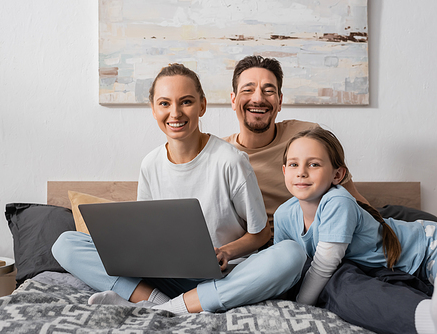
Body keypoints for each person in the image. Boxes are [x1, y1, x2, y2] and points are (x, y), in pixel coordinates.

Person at [52, 63, 306, 314]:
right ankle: (159, 301)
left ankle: (170, 308)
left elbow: (260, 235)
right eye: (164, 103)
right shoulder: (150, 164)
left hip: (226, 276)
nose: (175, 113)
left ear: (202, 106)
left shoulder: (231, 161)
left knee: (291, 254)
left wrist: (225, 251)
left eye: (186, 102)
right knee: (66, 243)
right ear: (153, 109)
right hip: (168, 277)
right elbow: (146, 233)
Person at [224, 55, 433, 334]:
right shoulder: (225, 159)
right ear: (233, 98)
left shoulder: (304, 134)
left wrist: (367, 221)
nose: (258, 98)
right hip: (303, 238)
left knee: (406, 218)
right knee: (342, 281)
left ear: (280, 100)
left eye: (269, 90)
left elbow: (345, 190)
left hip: (350, 219)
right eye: (248, 89)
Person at [274, 127, 437, 333]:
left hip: (427, 245)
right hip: (392, 269)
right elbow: (283, 264)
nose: (301, 172)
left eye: (313, 164)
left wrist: (301, 304)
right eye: (293, 164)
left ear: (338, 174)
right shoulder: (283, 215)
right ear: (284, 171)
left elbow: (324, 264)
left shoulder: (337, 201)